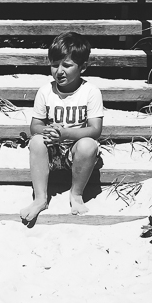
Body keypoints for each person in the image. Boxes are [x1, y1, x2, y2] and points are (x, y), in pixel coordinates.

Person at [19, 31, 104, 224]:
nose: (59, 71)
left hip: (76, 152)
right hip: (53, 151)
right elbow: (35, 126)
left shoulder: (90, 92)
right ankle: (40, 198)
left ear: (82, 67)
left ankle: (76, 194)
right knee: (36, 141)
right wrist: (48, 132)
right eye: (54, 65)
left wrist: (66, 133)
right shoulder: (46, 91)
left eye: (67, 65)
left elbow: (95, 130)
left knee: (88, 145)